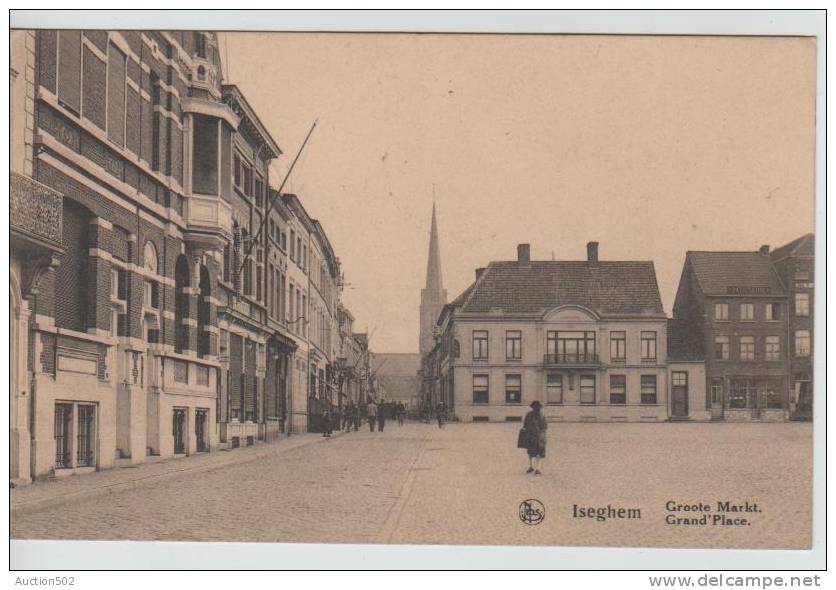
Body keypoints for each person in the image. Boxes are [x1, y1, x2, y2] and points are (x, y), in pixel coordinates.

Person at [523, 400, 547, 474]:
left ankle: (531, 467)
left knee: (530, 452)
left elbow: (525, 425)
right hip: (540, 436)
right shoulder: (541, 415)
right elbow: (544, 427)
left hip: (530, 436)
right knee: (539, 452)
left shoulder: (529, 414)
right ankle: (538, 468)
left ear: (532, 407)